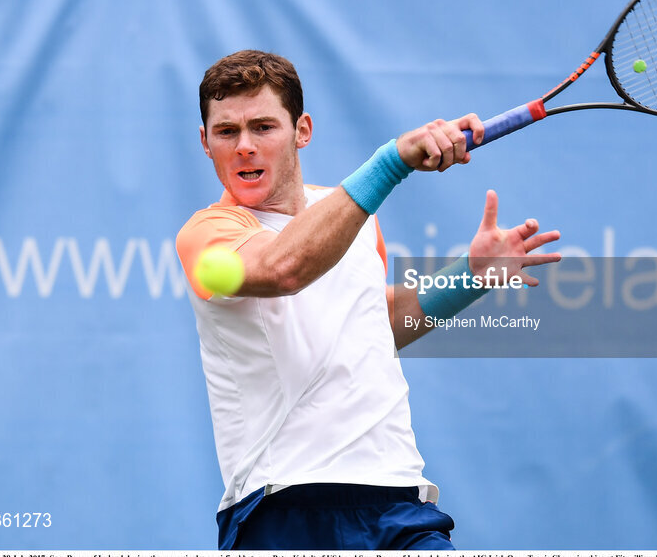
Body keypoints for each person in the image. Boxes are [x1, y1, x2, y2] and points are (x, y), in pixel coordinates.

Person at [176, 49, 561, 549]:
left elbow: (376, 321)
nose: (244, 146)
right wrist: (392, 161)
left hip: (397, 498)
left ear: (302, 131)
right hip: (282, 506)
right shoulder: (207, 234)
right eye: (227, 132)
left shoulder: (350, 220)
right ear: (206, 143)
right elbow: (283, 268)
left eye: (263, 127)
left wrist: (471, 276)